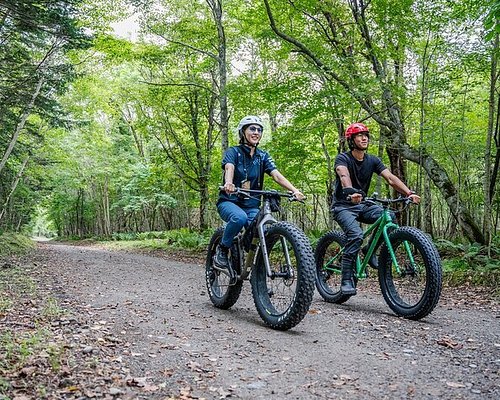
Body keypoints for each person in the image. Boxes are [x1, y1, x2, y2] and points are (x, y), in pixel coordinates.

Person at [332, 122, 421, 295]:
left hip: (363, 204)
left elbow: (390, 178)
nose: (364, 138)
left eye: (366, 135)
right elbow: (344, 174)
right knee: (356, 235)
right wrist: (350, 191)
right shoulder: (343, 158)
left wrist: (409, 193)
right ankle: (346, 279)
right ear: (351, 140)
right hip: (343, 206)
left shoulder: (372, 160)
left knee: (389, 218)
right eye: (359, 135)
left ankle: (369, 250)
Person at [214, 115, 305, 281]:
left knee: (259, 229)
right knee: (239, 218)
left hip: (251, 205)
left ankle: (251, 261)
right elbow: (229, 167)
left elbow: (276, 175)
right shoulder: (233, 152)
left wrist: (294, 190)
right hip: (229, 201)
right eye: (252, 129)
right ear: (243, 132)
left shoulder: (262, 156)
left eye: (259, 129)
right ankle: (222, 250)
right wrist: (228, 183)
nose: (256, 132)